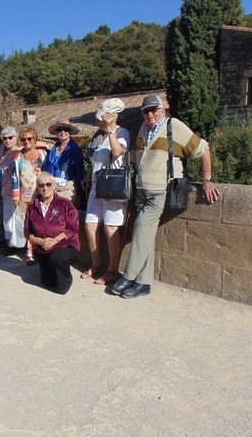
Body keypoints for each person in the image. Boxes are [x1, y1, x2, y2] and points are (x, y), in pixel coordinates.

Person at [111, 94, 221, 299]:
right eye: (146, 111)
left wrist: (207, 180)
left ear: (163, 110)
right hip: (141, 191)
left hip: (161, 191)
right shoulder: (144, 128)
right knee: (146, 236)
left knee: (141, 228)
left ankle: (129, 275)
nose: (150, 113)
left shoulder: (173, 126)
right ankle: (143, 283)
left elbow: (203, 149)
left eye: (154, 109)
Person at [80, 98, 130, 286]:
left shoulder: (121, 133)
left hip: (113, 188)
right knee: (90, 225)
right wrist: (87, 175)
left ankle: (112, 269)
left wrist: (110, 130)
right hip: (96, 186)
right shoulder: (97, 136)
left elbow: (117, 153)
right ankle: (96, 264)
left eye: (101, 118)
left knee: (110, 228)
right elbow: (95, 160)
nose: (97, 122)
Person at [24, 171, 80, 294]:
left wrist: (54, 241)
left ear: (54, 186)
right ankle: (52, 268)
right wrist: (41, 241)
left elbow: (73, 228)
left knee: (57, 258)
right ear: (38, 188)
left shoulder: (65, 204)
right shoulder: (33, 207)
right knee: (47, 282)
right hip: (44, 246)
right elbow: (27, 231)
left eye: (49, 184)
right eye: (41, 185)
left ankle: (66, 281)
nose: (45, 188)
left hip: (66, 244)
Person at [12, 126, 48, 265]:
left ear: (35, 139)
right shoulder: (18, 156)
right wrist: (15, 196)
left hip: (41, 194)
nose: (26, 141)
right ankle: (30, 252)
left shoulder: (43, 154)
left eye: (29, 138)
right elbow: (15, 177)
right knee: (27, 224)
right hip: (24, 196)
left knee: (41, 223)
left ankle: (40, 249)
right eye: (23, 139)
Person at [43, 118, 85, 207]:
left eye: (66, 129)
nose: (62, 132)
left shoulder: (76, 150)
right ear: (56, 133)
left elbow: (80, 173)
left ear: (70, 132)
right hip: (52, 188)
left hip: (68, 188)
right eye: (59, 130)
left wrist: (79, 195)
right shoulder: (52, 150)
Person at [0, 126, 21, 252]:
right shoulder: (4, 154)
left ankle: (14, 245)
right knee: (7, 217)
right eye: (5, 138)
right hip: (4, 190)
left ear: (15, 138)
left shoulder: (19, 153)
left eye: (10, 137)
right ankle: (8, 242)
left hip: (15, 191)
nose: (7, 140)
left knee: (14, 217)